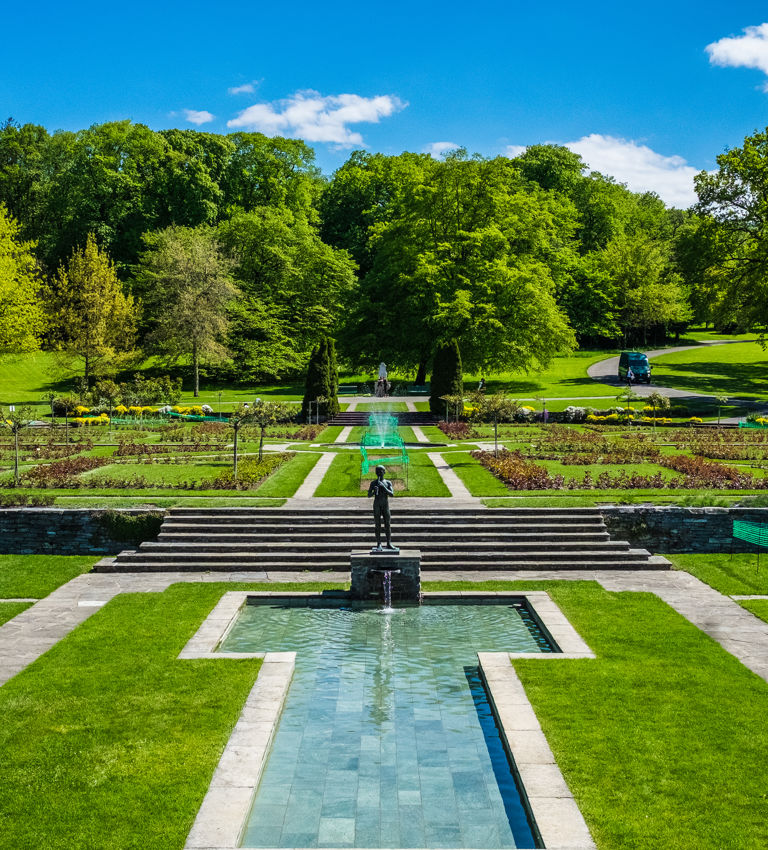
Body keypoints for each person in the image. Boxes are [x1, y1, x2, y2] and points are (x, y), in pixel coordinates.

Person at [367, 465, 397, 551]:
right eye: (377, 471)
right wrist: (373, 492)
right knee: (377, 525)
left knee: (387, 524)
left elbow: (392, 494)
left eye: (380, 471)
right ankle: (379, 543)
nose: (379, 473)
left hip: (385, 505)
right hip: (377, 505)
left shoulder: (388, 482)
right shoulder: (373, 483)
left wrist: (383, 487)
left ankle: (389, 543)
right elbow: (368, 495)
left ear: (384, 472)